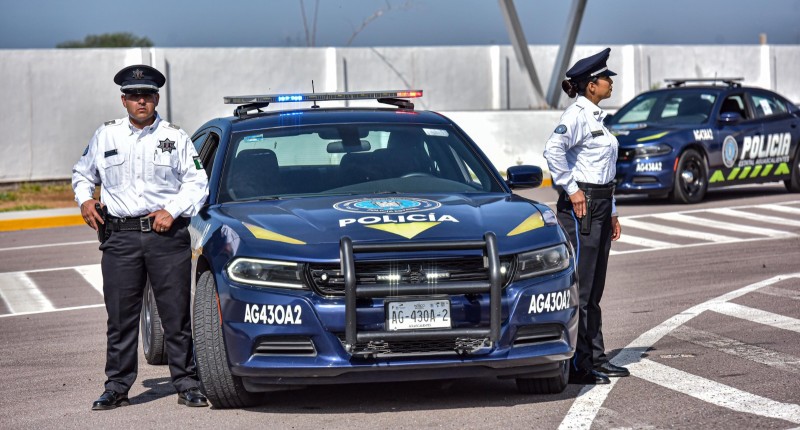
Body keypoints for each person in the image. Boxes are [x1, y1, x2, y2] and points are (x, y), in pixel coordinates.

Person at [72, 65, 210, 409]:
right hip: (120, 239)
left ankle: (186, 382)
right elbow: (81, 172)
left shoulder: (175, 137)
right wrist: (86, 199)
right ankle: (117, 386)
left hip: (166, 237)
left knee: (175, 316)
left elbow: (198, 183)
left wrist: (172, 210)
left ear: (156, 98)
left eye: (147, 95)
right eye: (134, 96)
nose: (141, 101)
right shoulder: (106, 136)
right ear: (123, 100)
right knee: (120, 318)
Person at [543, 48, 628, 385]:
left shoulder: (596, 119)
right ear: (591, 85)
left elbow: (604, 171)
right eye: (606, 78)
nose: (611, 82)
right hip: (583, 208)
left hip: (600, 204)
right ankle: (579, 364)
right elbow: (553, 150)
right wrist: (572, 189)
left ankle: (595, 357)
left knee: (594, 290)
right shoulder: (576, 115)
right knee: (583, 287)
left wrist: (613, 212)